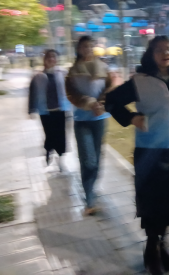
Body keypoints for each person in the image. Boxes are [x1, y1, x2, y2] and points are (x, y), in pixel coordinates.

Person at [105, 36, 169, 275]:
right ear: (151, 55)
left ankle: (162, 243)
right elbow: (111, 101)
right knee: (152, 201)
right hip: (149, 151)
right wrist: (132, 118)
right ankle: (152, 245)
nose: (165, 53)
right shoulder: (139, 81)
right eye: (159, 50)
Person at [66, 36, 115, 215]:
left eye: (90, 46)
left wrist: (100, 104)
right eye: (84, 46)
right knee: (88, 159)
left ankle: (92, 189)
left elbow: (109, 88)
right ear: (78, 49)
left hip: (100, 119)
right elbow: (71, 94)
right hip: (81, 120)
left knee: (97, 158)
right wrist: (90, 103)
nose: (87, 49)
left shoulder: (103, 67)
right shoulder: (73, 71)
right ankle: (89, 199)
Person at [28, 50, 71, 171]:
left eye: (54, 57)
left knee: (61, 135)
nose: (52, 59)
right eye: (49, 57)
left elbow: (71, 88)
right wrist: (31, 109)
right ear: (45, 60)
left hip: (60, 109)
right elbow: (33, 93)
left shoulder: (63, 73)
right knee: (49, 134)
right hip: (45, 111)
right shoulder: (38, 76)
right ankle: (48, 150)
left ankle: (61, 158)